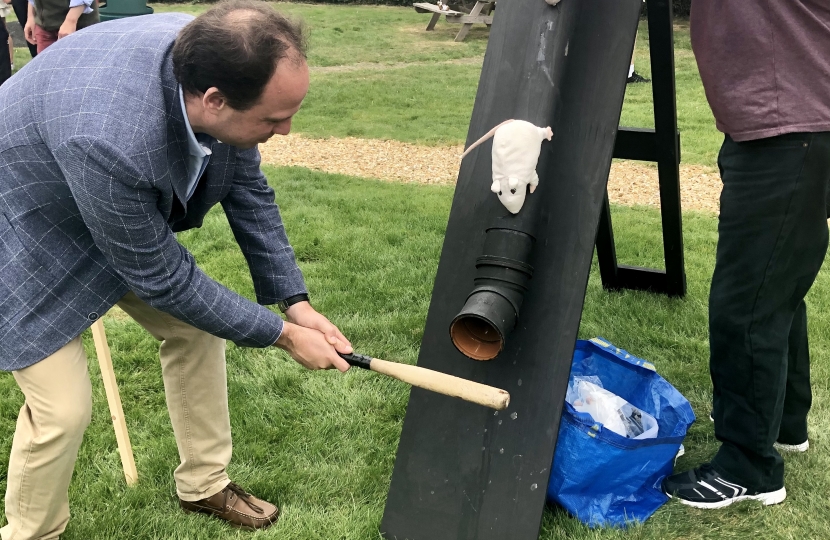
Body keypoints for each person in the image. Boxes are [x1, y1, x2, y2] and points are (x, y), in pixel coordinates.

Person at [0, 1, 354, 537]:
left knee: (195, 326)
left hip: (105, 195)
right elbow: (162, 276)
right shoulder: (109, 136)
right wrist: (282, 336)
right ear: (213, 101)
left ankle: (204, 484)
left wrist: (294, 302)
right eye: (274, 119)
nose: (286, 131)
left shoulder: (213, 56)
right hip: (26, 219)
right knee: (63, 410)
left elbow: (247, 186)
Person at [662, 1, 830, 509]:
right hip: (798, 124)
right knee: (776, 287)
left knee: (745, 306)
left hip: (786, 131)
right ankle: (782, 424)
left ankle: (749, 468)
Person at [23, 0, 98, 54]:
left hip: (78, 26)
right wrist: (30, 16)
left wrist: (71, 20)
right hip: (45, 27)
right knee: (46, 71)